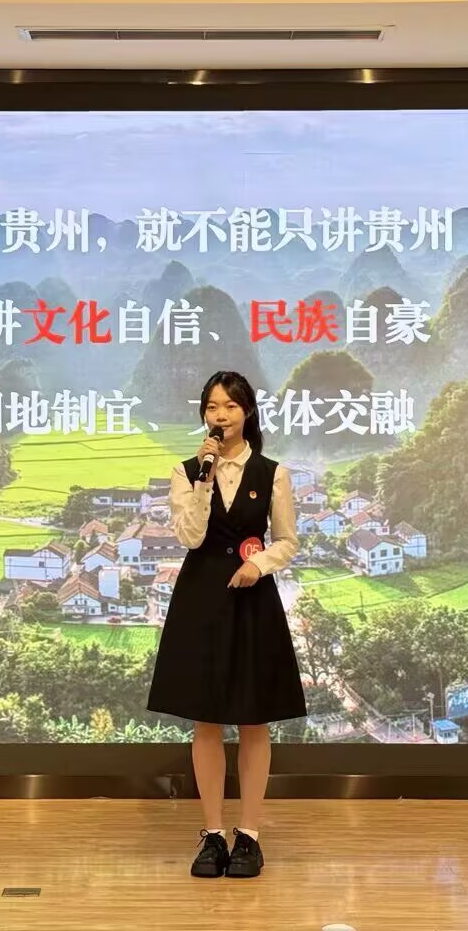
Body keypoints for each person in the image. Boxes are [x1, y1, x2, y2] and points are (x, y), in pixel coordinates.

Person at [147, 370, 305, 879]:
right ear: (204, 415)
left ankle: (249, 835)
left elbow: (287, 540)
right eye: (212, 407)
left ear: (247, 412)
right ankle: (213, 834)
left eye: (230, 406)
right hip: (201, 599)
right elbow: (190, 537)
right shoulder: (186, 471)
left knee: (254, 719)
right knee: (207, 718)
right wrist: (204, 479)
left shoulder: (273, 473)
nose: (221, 416)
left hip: (253, 599)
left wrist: (258, 564)